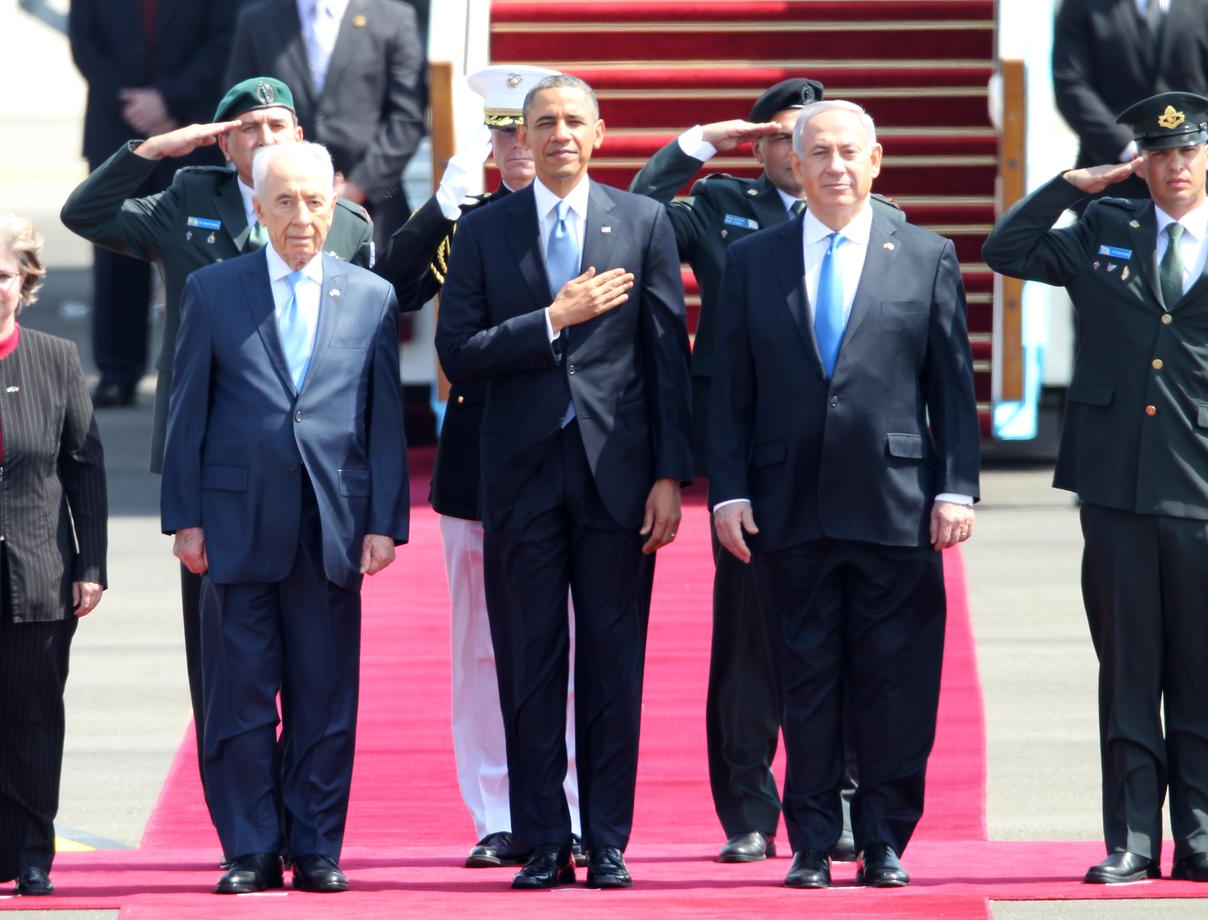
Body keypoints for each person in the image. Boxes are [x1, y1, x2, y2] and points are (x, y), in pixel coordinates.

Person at [61, 76, 373, 812]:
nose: (266, 140)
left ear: (301, 138)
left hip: (312, 473)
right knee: (227, 665)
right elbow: (89, 212)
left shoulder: (347, 223)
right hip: (215, 468)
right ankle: (243, 821)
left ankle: (308, 823)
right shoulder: (187, 202)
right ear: (224, 141)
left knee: (315, 663)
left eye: (278, 126)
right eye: (248, 129)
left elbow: (357, 345)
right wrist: (156, 149)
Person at [629, 77, 902, 864]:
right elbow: (637, 217)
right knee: (748, 642)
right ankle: (749, 811)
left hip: (848, 460)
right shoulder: (719, 206)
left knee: (849, 642)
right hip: (751, 453)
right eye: (781, 137)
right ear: (762, 143)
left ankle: (845, 805)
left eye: (809, 137)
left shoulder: (883, 222)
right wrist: (701, 141)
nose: (797, 152)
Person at [709, 99, 980, 890]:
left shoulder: (926, 254)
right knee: (806, 679)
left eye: (847, 152)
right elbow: (730, 390)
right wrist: (727, 493)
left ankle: (885, 837)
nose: (833, 166)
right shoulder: (754, 259)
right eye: (817, 152)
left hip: (897, 505)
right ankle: (810, 838)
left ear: (875, 160)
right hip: (786, 506)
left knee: (894, 680)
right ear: (793, 162)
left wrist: (956, 487)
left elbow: (951, 388)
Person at [436, 74, 694, 890]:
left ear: (600, 132)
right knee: (528, 661)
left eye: (573, 122)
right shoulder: (485, 230)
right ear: (525, 136)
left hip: (617, 480)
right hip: (518, 478)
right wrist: (555, 316)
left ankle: (607, 837)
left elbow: (665, 362)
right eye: (543, 123)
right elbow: (459, 353)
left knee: (615, 663)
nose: (558, 136)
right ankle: (544, 836)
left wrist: (668, 476)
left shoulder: (644, 221)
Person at [161, 140, 408, 895]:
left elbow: (383, 420)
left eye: (315, 201)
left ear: (334, 207)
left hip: (330, 525)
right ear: (259, 208)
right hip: (236, 525)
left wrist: (383, 521)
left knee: (324, 695)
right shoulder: (215, 288)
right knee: (238, 696)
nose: (302, 216)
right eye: (285, 201)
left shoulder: (370, 295)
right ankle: (251, 847)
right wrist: (185, 519)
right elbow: (186, 413)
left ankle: (317, 844)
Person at [983, 90, 1208, 886]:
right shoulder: (1107, 228)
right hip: (1115, 485)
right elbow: (1004, 251)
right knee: (1128, 667)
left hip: (1201, 485)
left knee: (1200, 668)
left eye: (1186, 152)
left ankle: (1203, 834)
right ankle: (1134, 840)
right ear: (1139, 160)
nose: (1174, 166)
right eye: (1158, 153)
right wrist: (1067, 188)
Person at [378, 63, 591, 869]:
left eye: (525, 129)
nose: (517, 148)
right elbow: (391, 292)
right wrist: (440, 207)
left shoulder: (595, 215)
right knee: (482, 646)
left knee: (574, 641)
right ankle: (499, 808)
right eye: (502, 133)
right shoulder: (470, 225)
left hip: (576, 460)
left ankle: (568, 808)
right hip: (485, 466)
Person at [0, 215, 108, 897]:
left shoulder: (57, 360)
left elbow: (85, 467)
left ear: (26, 283)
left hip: (40, 578)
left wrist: (91, 564)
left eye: (4, 275)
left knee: (30, 723)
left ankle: (28, 856)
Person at [69, 0, 239, 407]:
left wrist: (169, 101)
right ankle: (117, 371)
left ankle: (207, 367)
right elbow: (85, 44)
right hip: (117, 126)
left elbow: (223, 41)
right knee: (115, 256)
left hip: (193, 129)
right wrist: (134, 104)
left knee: (199, 252)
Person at [226, 0, 426, 252]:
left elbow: (407, 119)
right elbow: (240, 113)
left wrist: (357, 187)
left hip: (372, 211)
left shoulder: (394, 18)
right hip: (279, 211)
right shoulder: (257, 19)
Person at [1054, 0, 1208, 208]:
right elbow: (1071, 85)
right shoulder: (1081, 5)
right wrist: (1131, 150)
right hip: (1112, 184)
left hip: (1197, 181)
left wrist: (1195, 146)